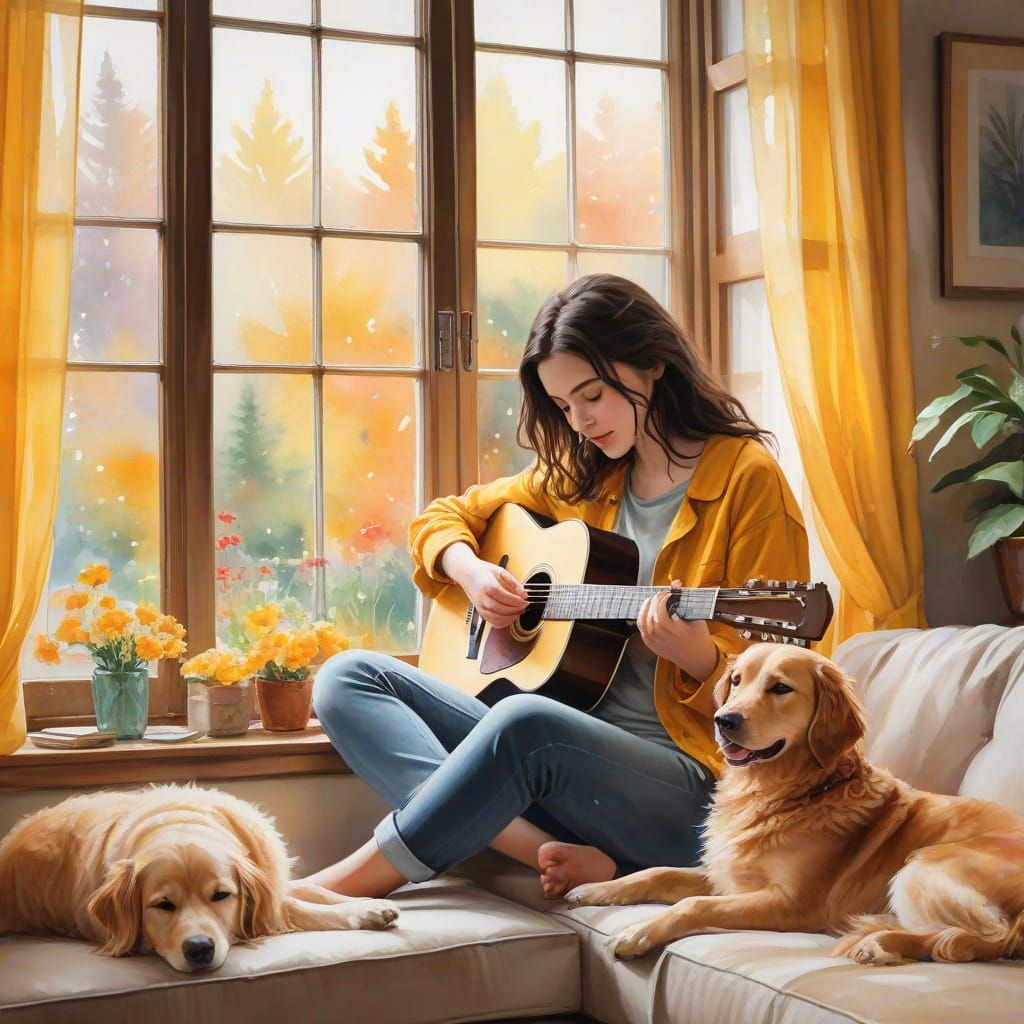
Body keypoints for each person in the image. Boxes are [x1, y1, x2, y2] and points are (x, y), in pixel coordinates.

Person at [304, 274, 810, 901]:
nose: (579, 421)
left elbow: (787, 694)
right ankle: (540, 849)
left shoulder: (747, 481)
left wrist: (701, 660)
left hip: (695, 789)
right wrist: (470, 570)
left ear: (652, 364)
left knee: (524, 720)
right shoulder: (582, 476)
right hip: (566, 773)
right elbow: (442, 516)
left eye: (591, 395)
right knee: (347, 677)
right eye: (564, 405)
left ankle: (339, 888)